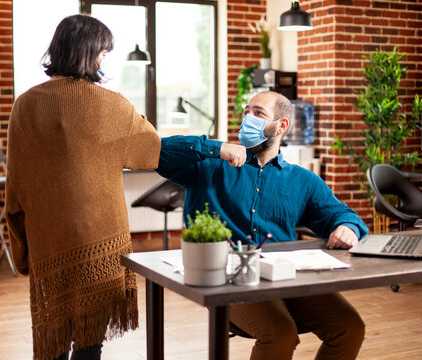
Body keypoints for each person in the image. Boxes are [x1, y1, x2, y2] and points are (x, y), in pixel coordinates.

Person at [155, 91, 369, 360]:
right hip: (229, 278)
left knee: (349, 327)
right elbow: (158, 151)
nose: (248, 119)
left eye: (258, 113)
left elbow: (343, 215)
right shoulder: (210, 165)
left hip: (283, 275)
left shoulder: (303, 180)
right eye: (246, 112)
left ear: (281, 126)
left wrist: (347, 227)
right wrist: (216, 148)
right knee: (280, 333)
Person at [5, 15, 160, 360]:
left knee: (55, 337)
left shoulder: (25, 105)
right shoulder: (113, 104)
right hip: (101, 241)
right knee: (91, 340)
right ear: (89, 54)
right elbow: (150, 150)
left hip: (50, 243)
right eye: (103, 54)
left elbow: (16, 187)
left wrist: (22, 250)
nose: (104, 61)